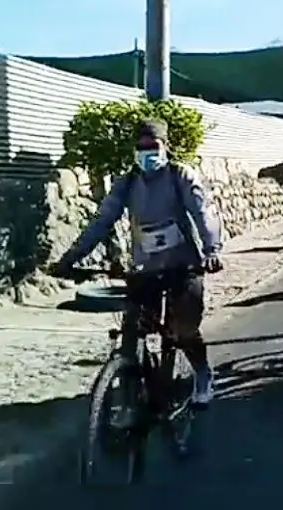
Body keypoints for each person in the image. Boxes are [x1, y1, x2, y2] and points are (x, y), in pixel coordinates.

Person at [51, 120, 224, 405]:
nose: (147, 153)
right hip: (145, 269)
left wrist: (211, 250)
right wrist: (71, 258)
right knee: (131, 331)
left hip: (184, 266)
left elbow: (202, 211)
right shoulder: (127, 182)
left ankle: (203, 373)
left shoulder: (180, 175)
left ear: (165, 147)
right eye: (141, 147)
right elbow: (102, 220)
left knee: (184, 329)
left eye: (153, 146)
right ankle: (129, 391)